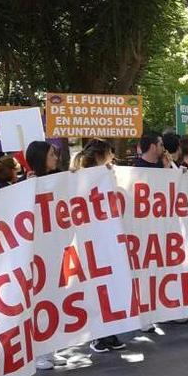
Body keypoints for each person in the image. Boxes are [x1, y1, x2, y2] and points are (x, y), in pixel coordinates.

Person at [69, 139, 130, 352]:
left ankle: (111, 332)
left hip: (108, 238)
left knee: (111, 286)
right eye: (109, 153)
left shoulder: (107, 174)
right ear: (101, 155)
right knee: (97, 287)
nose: (113, 157)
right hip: (91, 239)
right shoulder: (80, 178)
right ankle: (97, 335)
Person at [23, 141, 69, 370]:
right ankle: (38, 353)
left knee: (56, 299)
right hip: (37, 252)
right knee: (40, 302)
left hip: (56, 248)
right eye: (52, 154)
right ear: (41, 157)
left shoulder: (59, 179)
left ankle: (51, 350)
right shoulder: (27, 185)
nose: (56, 157)